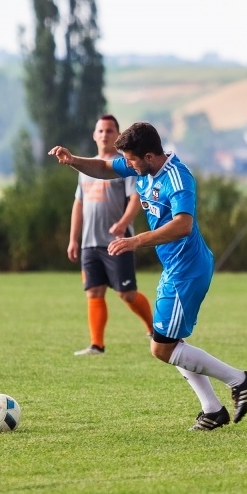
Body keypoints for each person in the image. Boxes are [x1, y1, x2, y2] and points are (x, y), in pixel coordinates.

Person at [49, 122, 247, 430]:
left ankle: (240, 380)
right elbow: (104, 168)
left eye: (131, 160)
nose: (128, 165)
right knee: (172, 342)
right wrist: (73, 161)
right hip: (175, 268)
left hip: (188, 269)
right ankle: (213, 410)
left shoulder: (177, 177)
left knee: (161, 347)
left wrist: (135, 240)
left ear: (149, 156)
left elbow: (183, 225)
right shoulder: (142, 166)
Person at [68, 115, 154, 355]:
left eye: (109, 130)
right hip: (90, 243)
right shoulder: (86, 168)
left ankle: (153, 328)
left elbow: (135, 198)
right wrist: (73, 239)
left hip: (118, 241)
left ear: (117, 136)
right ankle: (97, 345)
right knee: (93, 291)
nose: (104, 134)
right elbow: (78, 204)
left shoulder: (124, 166)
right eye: (101, 130)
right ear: (94, 135)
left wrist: (123, 223)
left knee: (126, 293)